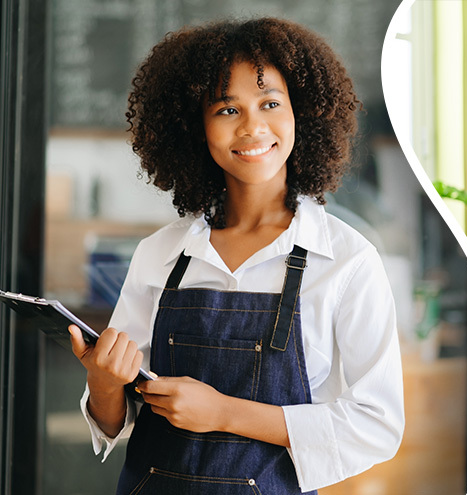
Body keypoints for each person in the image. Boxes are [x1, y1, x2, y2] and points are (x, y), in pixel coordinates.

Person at [66, 18, 404, 494]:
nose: (252, 127)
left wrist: (224, 413)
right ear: (194, 126)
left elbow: (377, 426)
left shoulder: (347, 261)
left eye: (270, 104)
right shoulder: (160, 254)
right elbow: (114, 417)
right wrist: (103, 383)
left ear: (301, 115)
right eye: (227, 110)